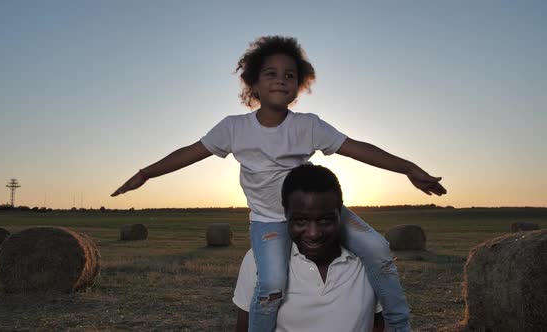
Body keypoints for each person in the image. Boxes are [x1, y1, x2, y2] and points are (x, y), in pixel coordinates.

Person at [111, 35, 446, 332]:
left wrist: (408, 168)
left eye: (290, 75)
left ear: (298, 85)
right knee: (270, 283)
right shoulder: (233, 128)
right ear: (253, 83)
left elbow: (358, 148)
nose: (281, 81)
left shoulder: (308, 125)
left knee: (378, 249)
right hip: (269, 221)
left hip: (315, 211)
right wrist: (145, 174)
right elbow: (189, 153)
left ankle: (399, 325)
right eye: (271, 73)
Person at [234, 164, 384, 332]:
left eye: (325, 220)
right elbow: (244, 327)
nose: (313, 234)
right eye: (300, 221)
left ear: (341, 214)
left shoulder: (369, 260)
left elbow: (379, 324)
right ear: (285, 214)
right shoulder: (260, 260)